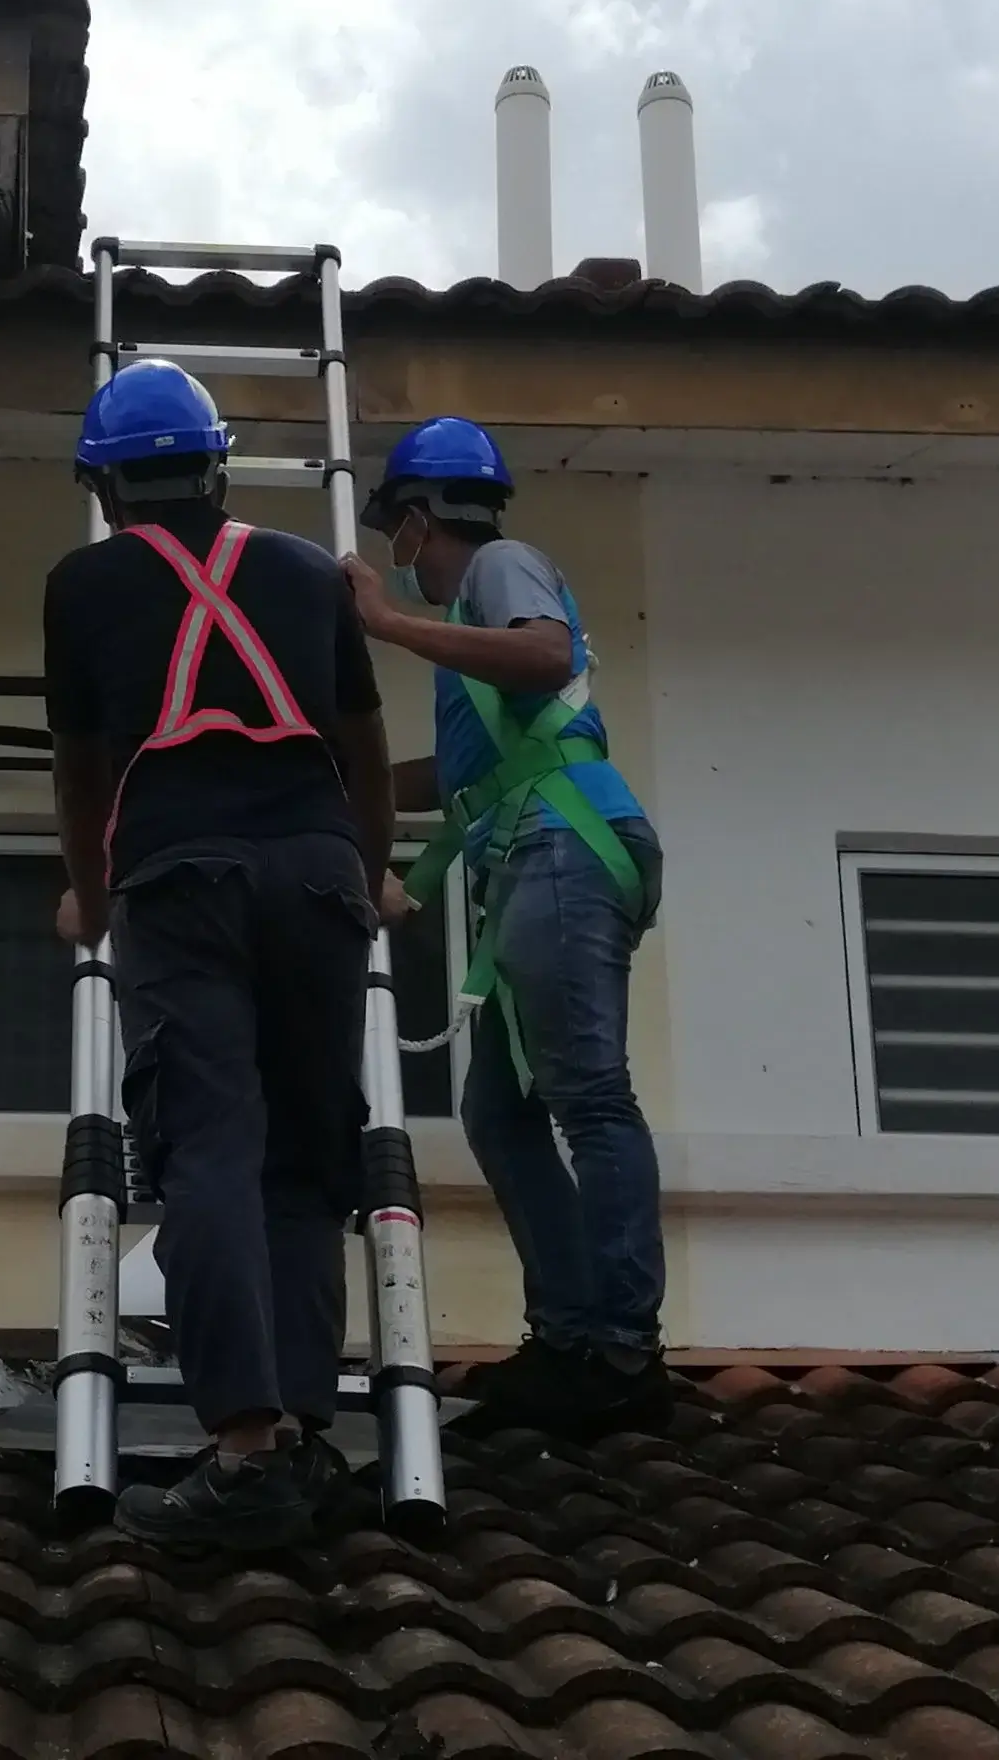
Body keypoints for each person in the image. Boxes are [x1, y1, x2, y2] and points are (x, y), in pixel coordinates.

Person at [43, 359, 402, 1551]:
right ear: (215, 461)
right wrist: (366, 872)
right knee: (305, 1158)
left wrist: (90, 899)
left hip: (180, 874)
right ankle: (294, 1434)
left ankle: (243, 1457)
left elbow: (84, 768)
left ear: (105, 485)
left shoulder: (85, 584)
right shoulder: (306, 570)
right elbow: (362, 745)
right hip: (315, 873)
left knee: (206, 1144)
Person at [342, 416, 672, 1440]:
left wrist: (388, 625)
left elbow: (544, 653)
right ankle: (572, 1335)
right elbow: (458, 776)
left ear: (413, 522)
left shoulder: (498, 567)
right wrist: (333, 782)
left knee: (586, 1094)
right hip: (538, 847)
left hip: (564, 847)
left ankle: (618, 1348)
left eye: (396, 531)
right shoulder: (471, 644)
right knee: (499, 1108)